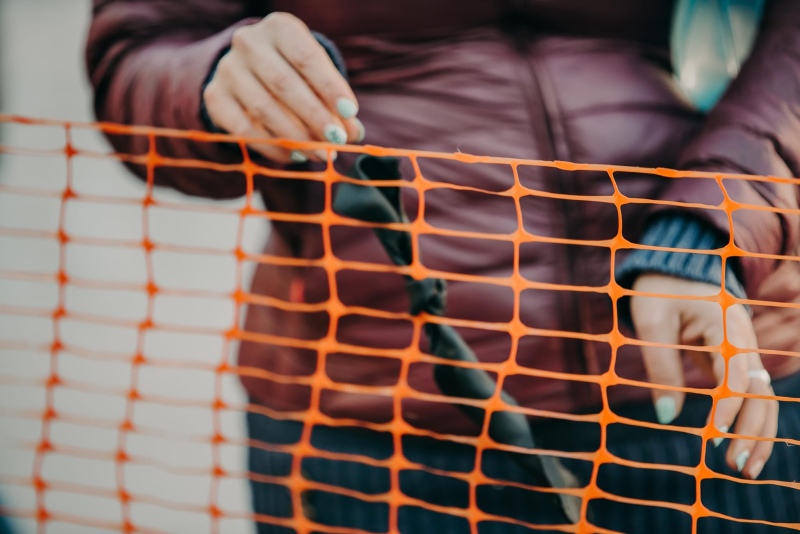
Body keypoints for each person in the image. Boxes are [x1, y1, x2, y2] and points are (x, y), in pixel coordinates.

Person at [86, 1, 800, 532]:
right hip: (375, 417)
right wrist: (216, 79)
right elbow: (139, 56)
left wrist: (708, 229)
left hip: (728, 366)